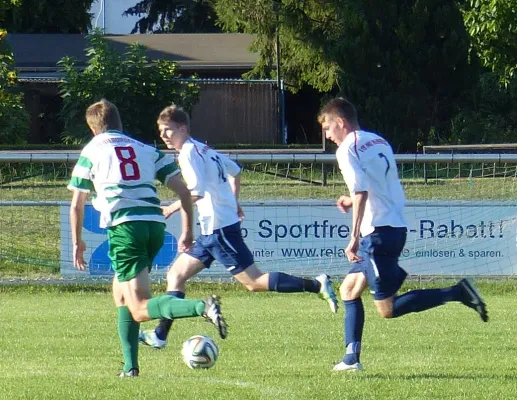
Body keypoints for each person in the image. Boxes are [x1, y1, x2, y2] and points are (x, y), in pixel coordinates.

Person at [138, 104, 338, 349]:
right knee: (176, 275)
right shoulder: (204, 149)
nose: (164, 136)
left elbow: (196, 193)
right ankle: (159, 335)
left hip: (219, 230)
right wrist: (233, 202)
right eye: (161, 131)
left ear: (183, 128)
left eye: (168, 130)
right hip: (213, 230)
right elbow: (235, 171)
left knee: (254, 282)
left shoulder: (189, 153)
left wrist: (170, 209)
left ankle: (317, 284)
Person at [317, 97, 488, 372]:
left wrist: (354, 237)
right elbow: (377, 186)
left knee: (387, 309)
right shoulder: (378, 141)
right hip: (394, 227)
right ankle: (351, 358)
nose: (327, 135)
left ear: (341, 122)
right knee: (349, 290)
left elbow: (360, 191)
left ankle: (458, 292)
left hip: (377, 234)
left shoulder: (347, 149)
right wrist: (351, 201)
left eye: (327, 128)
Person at [68, 99, 227, 378]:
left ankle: (203, 307)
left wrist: (77, 241)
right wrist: (187, 229)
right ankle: (130, 368)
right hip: (154, 226)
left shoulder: (92, 150)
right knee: (120, 292)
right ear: (120, 124)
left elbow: (77, 204)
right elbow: (184, 191)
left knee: (140, 308)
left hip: (125, 228)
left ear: (93, 130)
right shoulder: (145, 149)